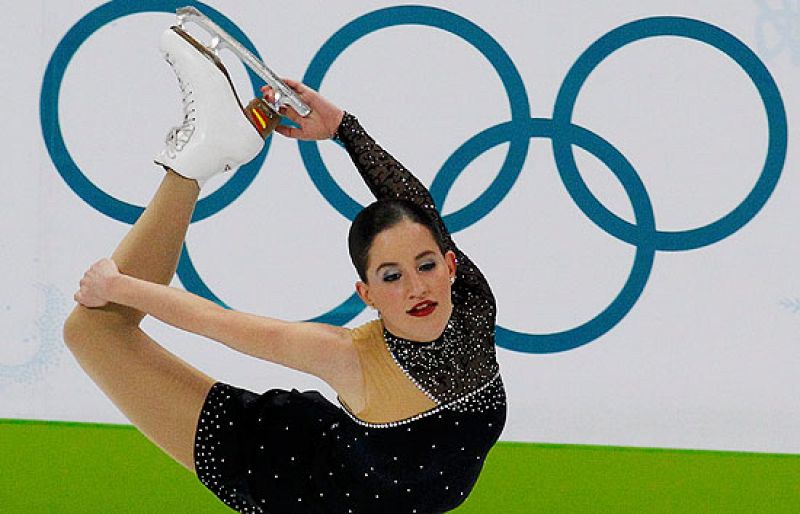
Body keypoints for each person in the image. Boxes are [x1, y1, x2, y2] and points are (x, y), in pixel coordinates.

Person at [63, 25, 506, 514]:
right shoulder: (348, 356)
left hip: (330, 466)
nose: (417, 287)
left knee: (95, 328)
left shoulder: (472, 303)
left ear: (450, 265)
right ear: (367, 294)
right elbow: (219, 323)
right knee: (91, 331)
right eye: (391, 277)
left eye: (426, 265)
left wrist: (343, 127)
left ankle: (208, 151)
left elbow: (415, 207)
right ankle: (192, 165)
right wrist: (117, 287)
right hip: (277, 470)